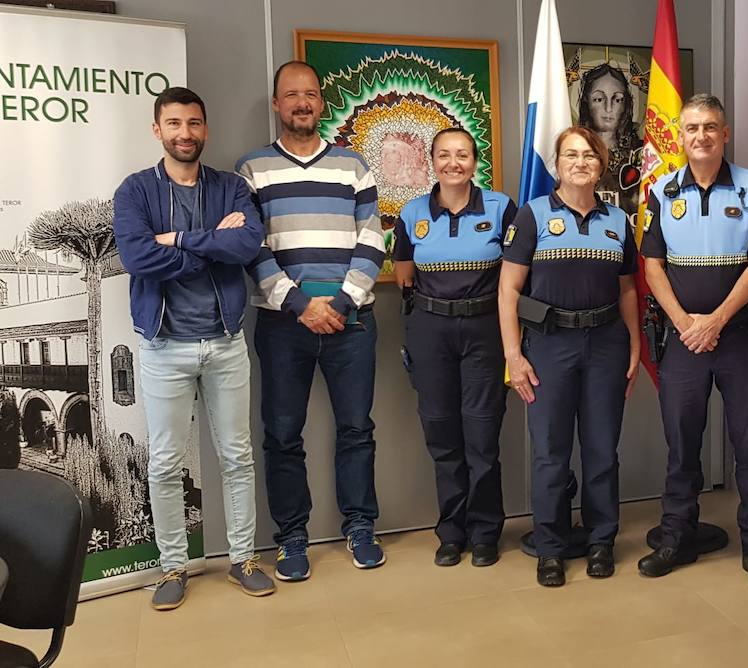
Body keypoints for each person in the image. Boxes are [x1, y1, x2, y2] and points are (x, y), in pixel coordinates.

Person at [113, 86, 273, 610]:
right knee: (163, 463)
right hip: (163, 347)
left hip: (225, 343)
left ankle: (244, 558)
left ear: (206, 129)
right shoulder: (135, 191)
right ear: (158, 130)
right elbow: (136, 258)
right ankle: (173, 567)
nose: (186, 133)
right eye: (175, 124)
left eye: (195, 123)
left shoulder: (230, 186)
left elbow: (247, 244)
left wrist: (177, 240)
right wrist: (210, 244)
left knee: (236, 456)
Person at [236, 61, 388, 581]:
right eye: (291, 94)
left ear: (321, 103)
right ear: (277, 104)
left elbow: (373, 240)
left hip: (353, 323)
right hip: (283, 325)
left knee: (357, 430)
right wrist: (301, 304)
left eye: (311, 94)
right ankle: (292, 537)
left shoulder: (354, 167)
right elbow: (249, 246)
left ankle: (361, 526)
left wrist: (340, 304)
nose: (302, 102)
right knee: (282, 434)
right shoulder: (252, 170)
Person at [637, 94, 748, 590]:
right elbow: (652, 265)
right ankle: (676, 537)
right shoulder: (660, 190)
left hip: (739, 337)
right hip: (682, 341)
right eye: (692, 128)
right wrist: (685, 323)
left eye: (710, 127)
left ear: (725, 134)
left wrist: (715, 321)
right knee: (682, 447)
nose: (701, 136)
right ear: (680, 135)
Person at [498, 126, 641, 587]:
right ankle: (551, 548)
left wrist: (635, 346)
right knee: (551, 454)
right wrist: (513, 356)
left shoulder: (618, 220)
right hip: (549, 346)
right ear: (556, 165)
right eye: (571, 155)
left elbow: (627, 289)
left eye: (589, 155)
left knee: (602, 449)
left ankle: (601, 541)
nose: (580, 163)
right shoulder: (532, 215)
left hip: (605, 345)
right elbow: (508, 290)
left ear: (601, 165)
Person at [393, 128, 514, 568]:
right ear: (432, 161)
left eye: (462, 154)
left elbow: (517, 274)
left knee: (482, 437)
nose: (453, 163)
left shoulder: (502, 208)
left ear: (474, 161)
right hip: (431, 330)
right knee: (442, 434)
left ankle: (485, 532)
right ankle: (451, 531)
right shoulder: (412, 212)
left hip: (485, 330)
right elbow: (404, 275)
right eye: (444, 155)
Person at [576, 63, 640, 210]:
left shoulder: (641, 153)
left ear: (626, 105)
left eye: (617, 99)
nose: (609, 108)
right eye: (599, 99)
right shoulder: (574, 155)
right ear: (587, 102)